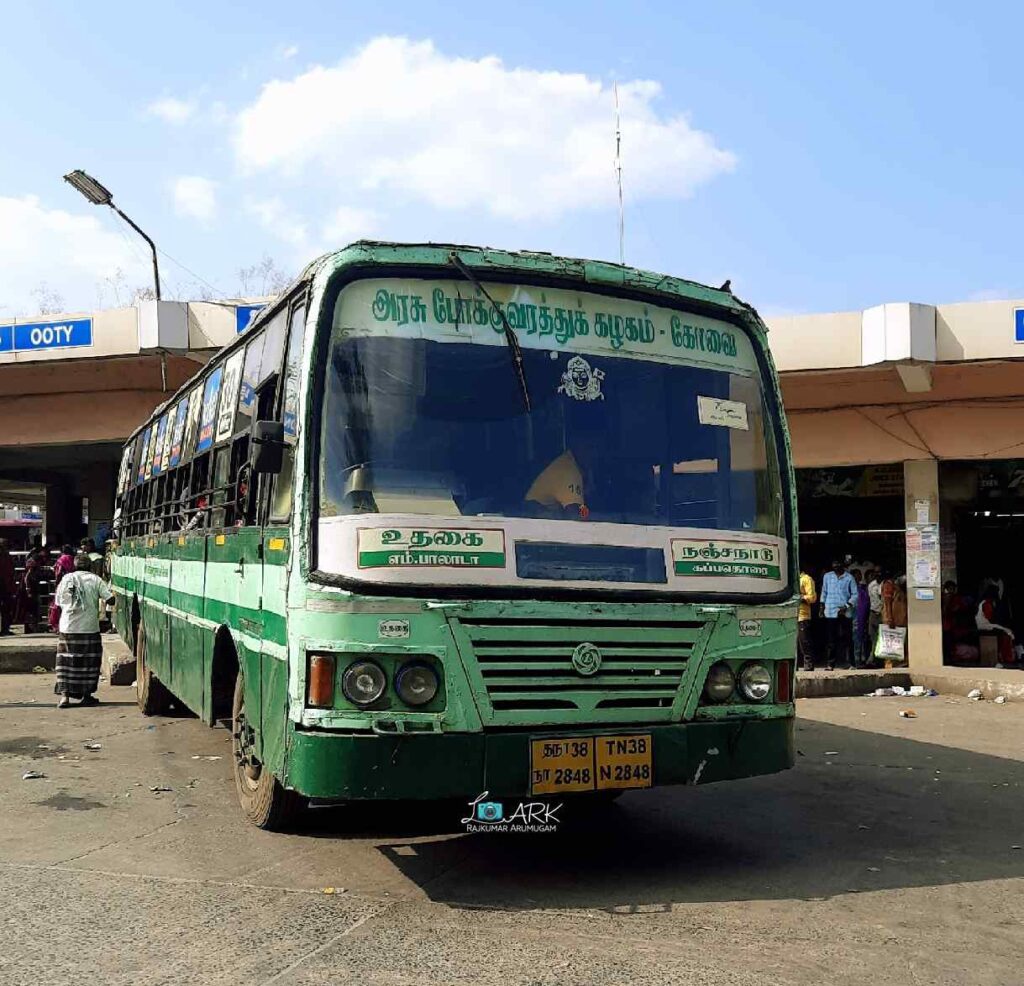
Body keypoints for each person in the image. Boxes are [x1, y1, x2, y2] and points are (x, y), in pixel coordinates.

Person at [53, 553, 114, 708]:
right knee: (89, 662)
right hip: (89, 628)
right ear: (89, 566)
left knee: (66, 661)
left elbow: (59, 602)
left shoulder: (66, 579)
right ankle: (86, 695)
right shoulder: (95, 579)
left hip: (68, 627)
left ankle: (65, 697)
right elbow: (110, 599)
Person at [821, 559, 857, 670]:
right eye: (834, 564)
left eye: (838, 564)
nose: (836, 566)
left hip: (845, 613)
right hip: (830, 611)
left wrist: (846, 606)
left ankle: (851, 664)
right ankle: (830, 664)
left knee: (848, 639)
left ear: (842, 565)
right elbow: (824, 592)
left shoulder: (849, 578)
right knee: (831, 639)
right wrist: (821, 607)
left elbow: (855, 595)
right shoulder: (827, 576)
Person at [976, 584, 1015, 667]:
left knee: (1006, 630)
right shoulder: (986, 603)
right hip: (985, 625)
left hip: (987, 623)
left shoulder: (988, 602)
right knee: (1007, 632)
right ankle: (1005, 657)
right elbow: (990, 617)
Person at [48, 544, 77, 633]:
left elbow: (58, 573)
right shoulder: (74, 559)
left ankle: (58, 626)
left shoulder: (61, 560)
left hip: (63, 584)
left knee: (59, 605)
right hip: (74, 583)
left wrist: (57, 584)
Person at [797, 567, 817, 671]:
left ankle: (808, 665)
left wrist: (800, 597)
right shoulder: (791, 579)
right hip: (790, 615)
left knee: (804, 641)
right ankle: (795, 665)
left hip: (802, 615)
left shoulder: (806, 579)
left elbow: (812, 597)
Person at [852, 568, 871, 668]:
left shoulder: (862, 589)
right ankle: (856, 660)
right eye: (857, 575)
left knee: (862, 639)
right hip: (854, 617)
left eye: (859, 575)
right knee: (856, 639)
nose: (859, 577)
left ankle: (863, 659)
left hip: (862, 617)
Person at [867, 569, 884, 658]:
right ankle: (873, 657)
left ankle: (873, 659)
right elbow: (871, 599)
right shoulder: (871, 585)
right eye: (876, 572)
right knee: (872, 637)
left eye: (880, 572)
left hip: (883, 613)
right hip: (873, 613)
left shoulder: (886, 584)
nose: (878, 574)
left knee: (883, 637)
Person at [0, 539, 15, 635]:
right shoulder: (5, 556)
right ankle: (5, 628)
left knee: (6, 609)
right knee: (5, 609)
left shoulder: (7, 556)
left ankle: (5, 628)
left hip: (6, 585)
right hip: (4, 584)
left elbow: (11, 572)